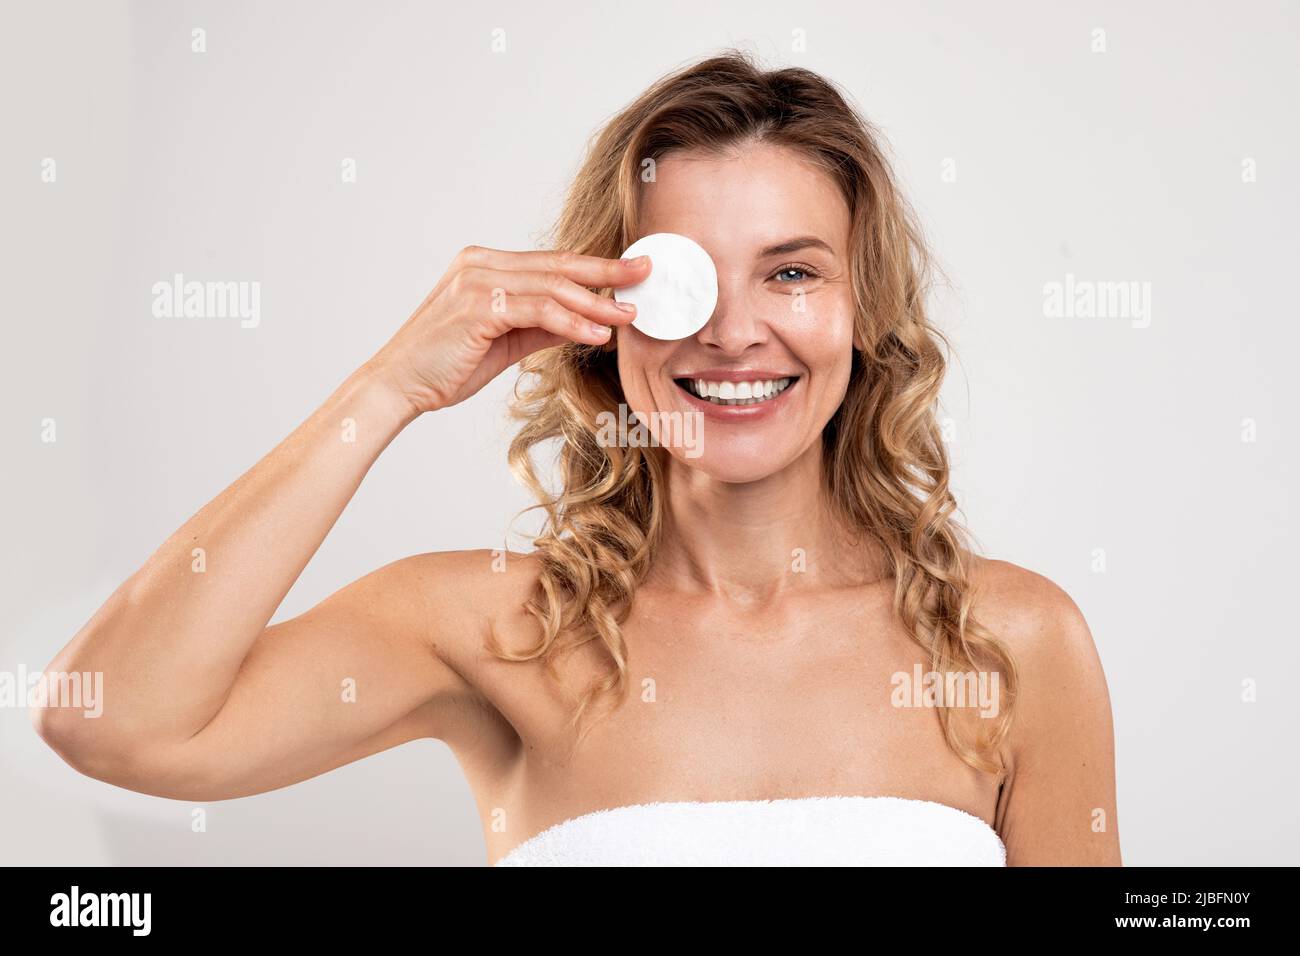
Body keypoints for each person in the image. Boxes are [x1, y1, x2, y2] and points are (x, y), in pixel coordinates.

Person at [33, 51, 1120, 866]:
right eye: (682, 278)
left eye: (792, 273)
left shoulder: (1010, 641)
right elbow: (109, 719)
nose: (734, 332)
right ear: (600, 306)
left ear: (861, 308)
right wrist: (389, 387)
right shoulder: (493, 629)